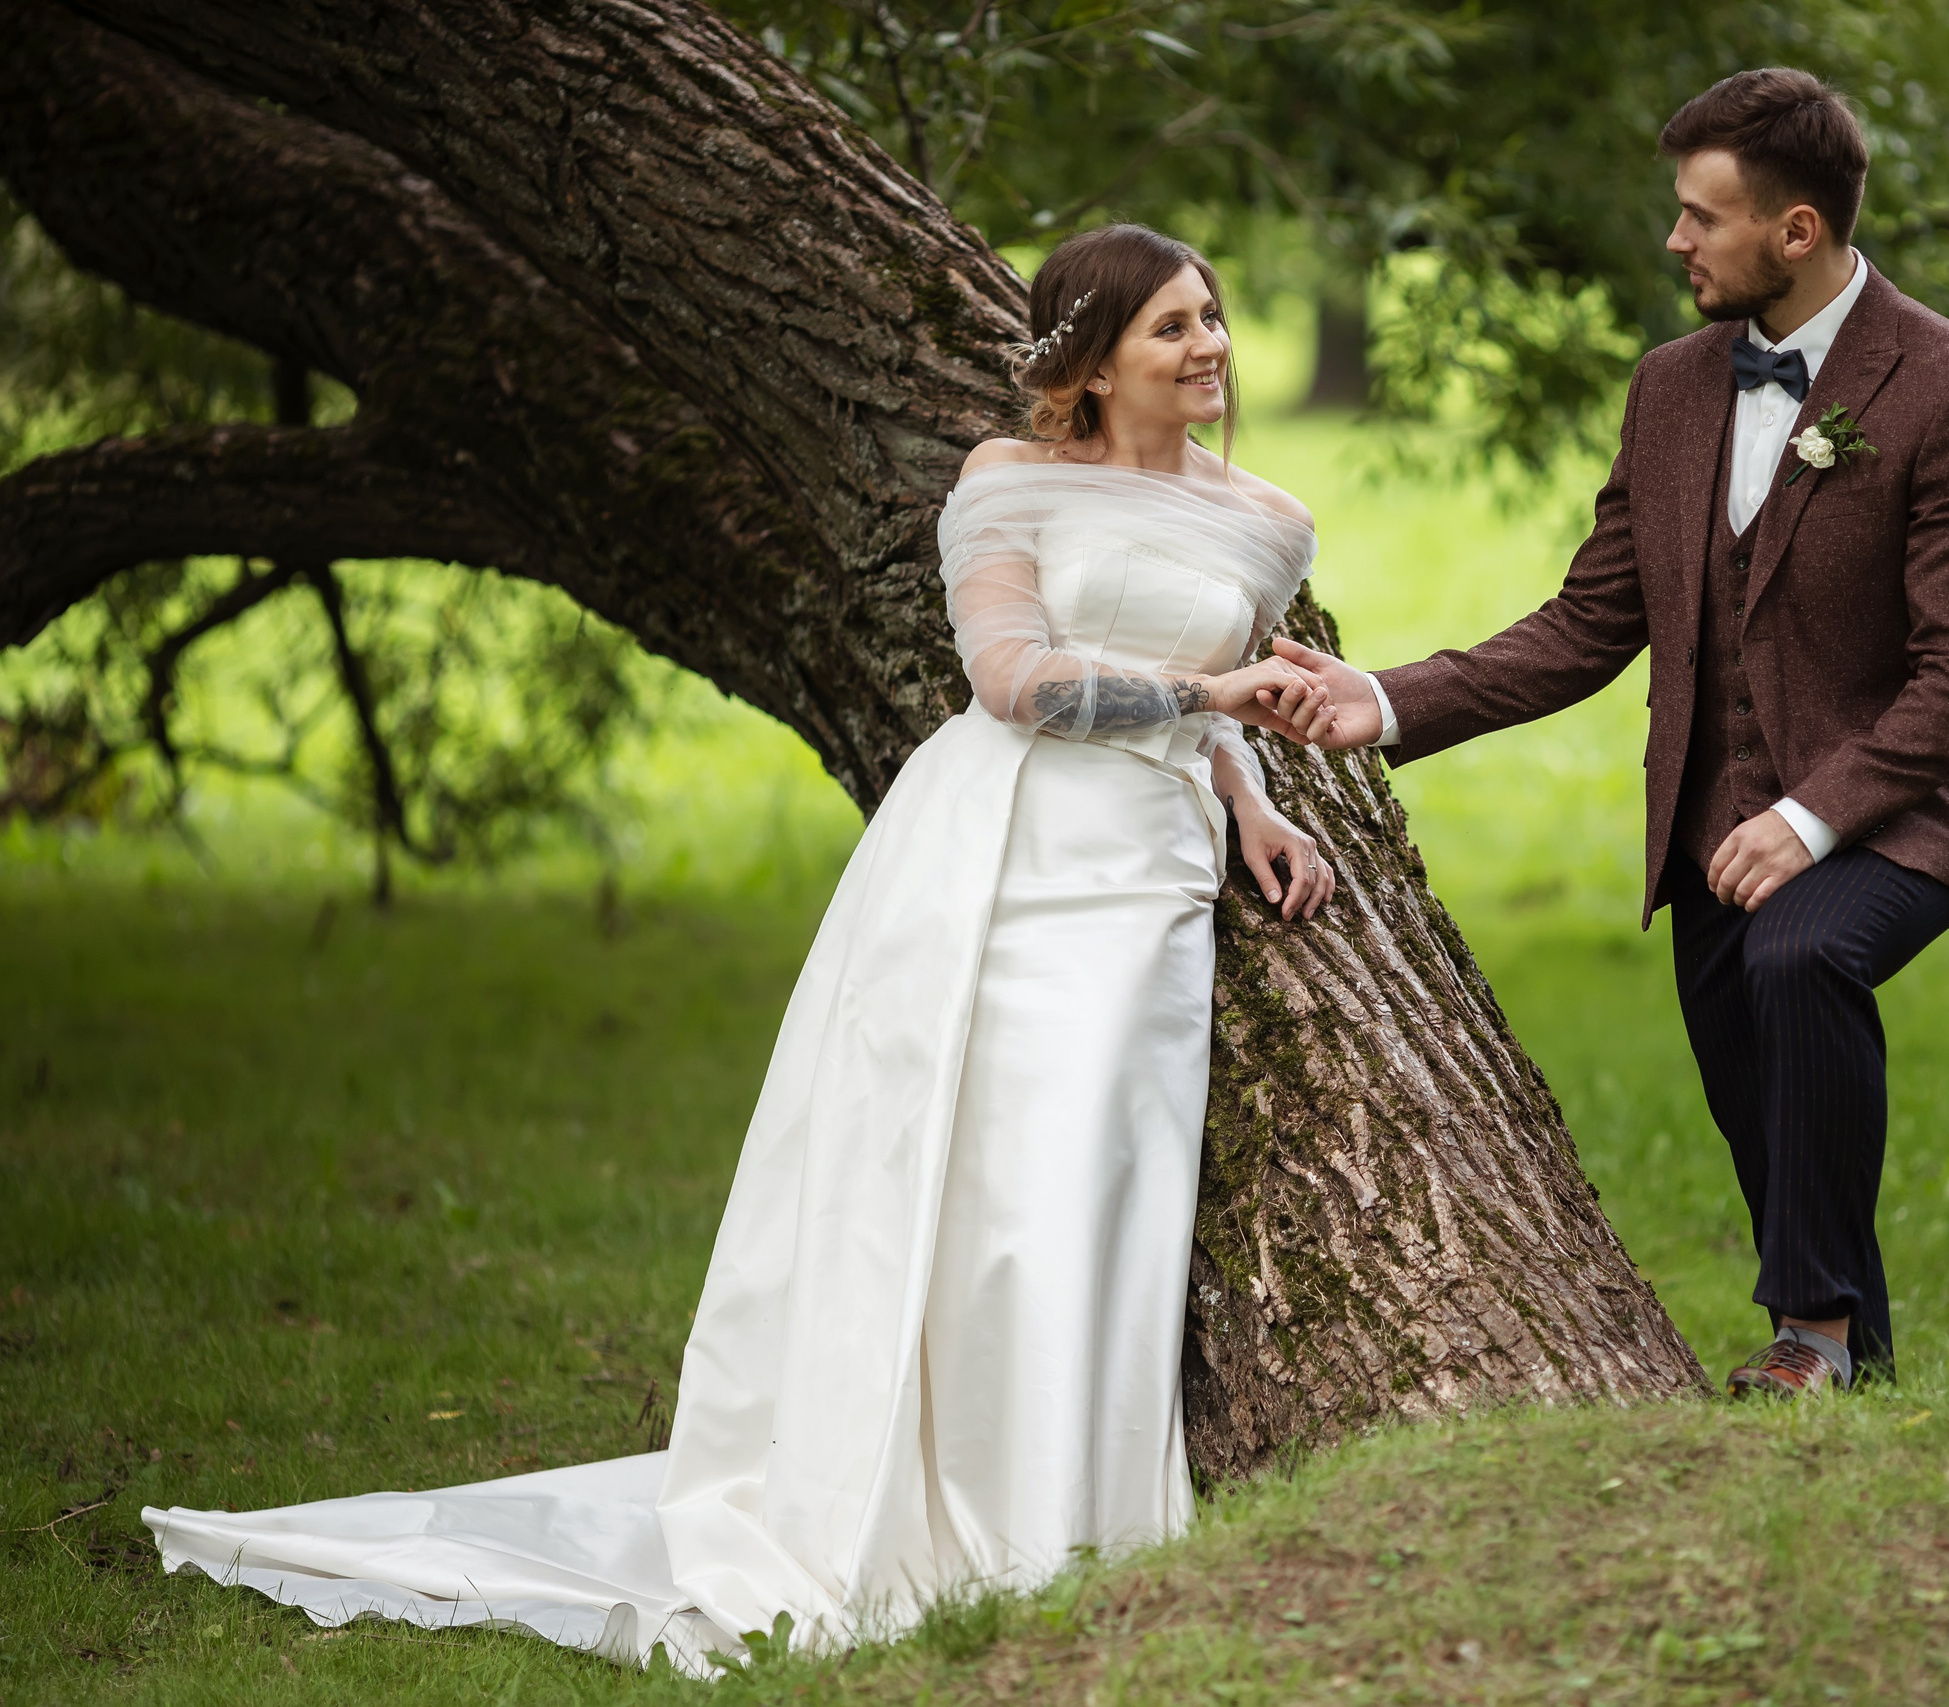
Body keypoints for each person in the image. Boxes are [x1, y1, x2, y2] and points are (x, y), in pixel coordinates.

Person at [143, 224, 1345, 1673]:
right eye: (1171, 328)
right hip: (993, 850)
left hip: (1146, 877)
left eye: (1211, 319)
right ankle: (934, 1507)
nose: (1208, 346)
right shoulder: (1009, 482)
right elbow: (1016, 681)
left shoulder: (1267, 521)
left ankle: (1069, 1517)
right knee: (964, 1176)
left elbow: (1214, 718)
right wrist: (1209, 688)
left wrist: (1254, 803)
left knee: (1094, 1174)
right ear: (1088, 364)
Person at [1281, 68, 1949, 1398]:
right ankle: (1859, 1350)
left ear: (1797, 232)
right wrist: (1387, 700)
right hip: (1710, 814)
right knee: (1752, 1064)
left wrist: (1810, 821)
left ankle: (1806, 1338)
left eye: (1703, 217)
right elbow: (1590, 623)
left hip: (1908, 805)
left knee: (1801, 960)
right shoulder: (1675, 388)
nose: (1675, 242)